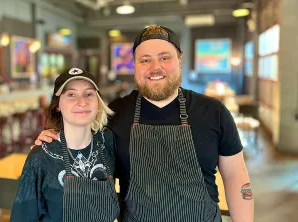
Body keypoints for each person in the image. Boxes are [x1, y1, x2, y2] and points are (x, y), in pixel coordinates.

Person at [34, 25, 254, 221]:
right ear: (135, 65)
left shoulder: (213, 112)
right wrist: (52, 140)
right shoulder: (113, 114)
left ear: (179, 60)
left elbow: (236, 177)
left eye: (164, 57)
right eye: (145, 60)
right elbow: (81, 157)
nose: (155, 67)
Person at [10, 68, 120, 222]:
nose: (82, 102)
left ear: (98, 102)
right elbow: (22, 217)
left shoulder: (107, 140)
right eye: (71, 94)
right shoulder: (40, 157)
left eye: (89, 94)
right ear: (57, 105)